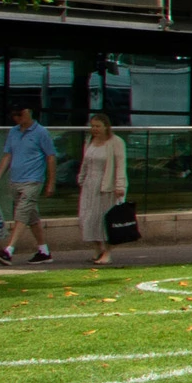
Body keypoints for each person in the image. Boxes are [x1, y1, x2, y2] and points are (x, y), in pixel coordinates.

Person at [0, 100, 57, 265]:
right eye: (14, 115)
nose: (17, 118)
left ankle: (9, 250)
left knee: (22, 213)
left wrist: (50, 183)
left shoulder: (41, 133)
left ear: (29, 112)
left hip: (32, 180)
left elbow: (51, 157)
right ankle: (44, 251)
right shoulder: (14, 132)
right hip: (16, 180)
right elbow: (7, 155)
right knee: (31, 216)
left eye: (20, 114)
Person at [74, 111, 128, 270]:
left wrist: (120, 186)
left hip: (107, 185)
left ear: (106, 126)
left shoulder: (116, 142)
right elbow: (86, 162)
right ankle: (98, 248)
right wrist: (81, 178)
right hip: (90, 185)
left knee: (106, 219)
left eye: (98, 126)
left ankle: (108, 252)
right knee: (88, 217)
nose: (95, 129)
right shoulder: (89, 140)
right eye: (93, 126)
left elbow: (120, 165)